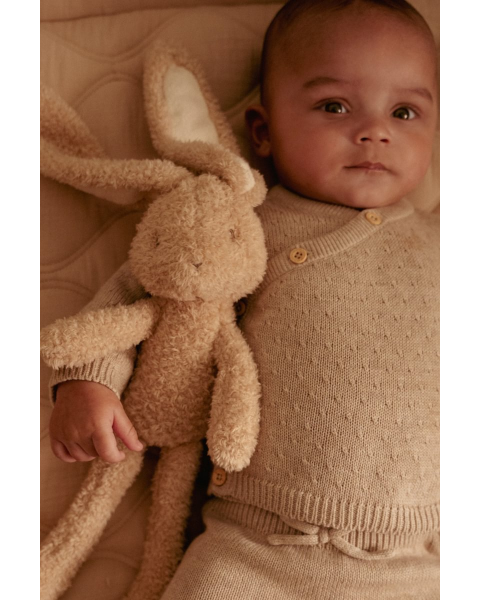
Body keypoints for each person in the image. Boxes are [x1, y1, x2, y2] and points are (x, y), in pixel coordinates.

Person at [47, 0, 440, 597]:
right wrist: (87, 380)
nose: (374, 131)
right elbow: (151, 289)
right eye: (335, 106)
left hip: (415, 562)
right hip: (257, 548)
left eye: (404, 112)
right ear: (263, 130)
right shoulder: (241, 226)